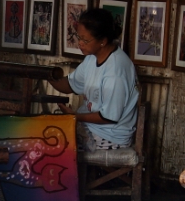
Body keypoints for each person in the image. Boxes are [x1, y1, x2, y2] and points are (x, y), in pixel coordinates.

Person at [47, 8, 139, 151]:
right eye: (79, 37)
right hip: (90, 127)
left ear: (102, 41)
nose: (80, 43)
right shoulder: (91, 58)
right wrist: (46, 74)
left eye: (85, 40)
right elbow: (70, 85)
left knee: (56, 147)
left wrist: (75, 117)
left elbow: (108, 117)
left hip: (110, 136)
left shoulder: (115, 72)